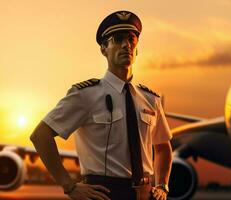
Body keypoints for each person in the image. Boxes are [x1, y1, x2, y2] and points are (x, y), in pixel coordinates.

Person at [30, 10, 173, 200]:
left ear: (137, 48)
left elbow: (163, 146)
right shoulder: (85, 95)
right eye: (118, 39)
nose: (126, 45)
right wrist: (70, 186)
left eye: (131, 39)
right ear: (104, 49)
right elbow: (40, 135)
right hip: (104, 194)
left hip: (145, 195)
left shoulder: (150, 99)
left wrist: (162, 184)